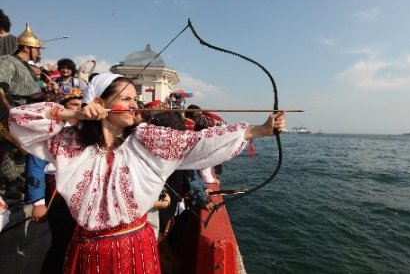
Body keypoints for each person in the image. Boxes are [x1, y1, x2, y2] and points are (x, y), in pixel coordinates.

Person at [8, 73, 286, 273]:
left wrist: (259, 130)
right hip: (89, 249)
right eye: (125, 98)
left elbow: (196, 142)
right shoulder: (71, 141)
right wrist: (73, 115)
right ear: (100, 103)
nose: (134, 104)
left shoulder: (145, 138)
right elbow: (17, 119)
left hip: (135, 246)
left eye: (135, 98)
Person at [26, 87, 83, 274]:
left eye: (81, 105)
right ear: (62, 107)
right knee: (62, 242)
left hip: (83, 191)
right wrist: (38, 202)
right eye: (74, 105)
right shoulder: (49, 130)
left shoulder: (88, 130)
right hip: (56, 191)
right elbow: (35, 166)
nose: (79, 109)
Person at [0, 23, 44, 199]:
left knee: (26, 151)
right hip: (9, 112)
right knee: (14, 150)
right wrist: (11, 110)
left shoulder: (28, 68)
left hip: (27, 113)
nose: (39, 53)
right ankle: (10, 184)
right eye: (37, 49)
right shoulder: (7, 61)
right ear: (27, 47)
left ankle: (19, 184)